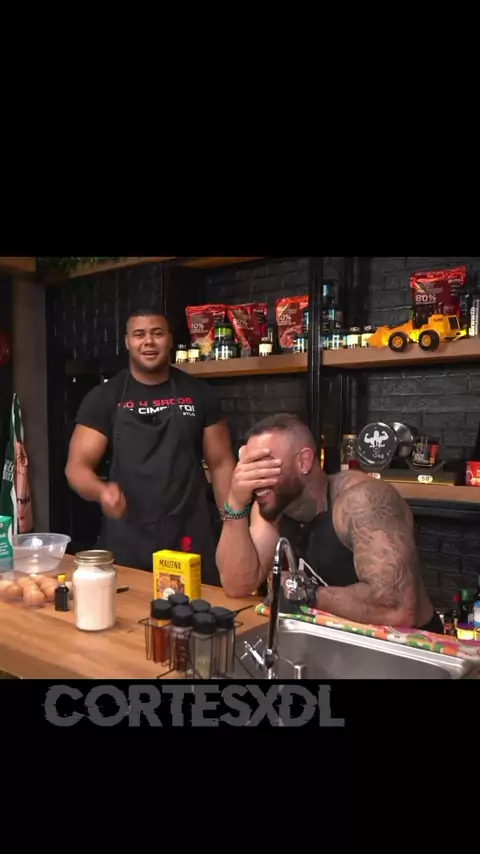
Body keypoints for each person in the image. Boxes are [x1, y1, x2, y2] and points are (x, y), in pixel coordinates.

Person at [216, 413, 443, 632]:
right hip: (334, 637)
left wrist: (306, 594)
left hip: (407, 645)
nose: (255, 478)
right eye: (249, 466)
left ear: (304, 461)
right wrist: (236, 502)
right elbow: (238, 584)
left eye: (264, 465)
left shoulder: (362, 500)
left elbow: (398, 608)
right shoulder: (274, 504)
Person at [65, 307, 235, 584]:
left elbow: (221, 463)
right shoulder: (104, 398)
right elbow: (76, 467)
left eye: (157, 333)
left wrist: (232, 523)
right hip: (128, 536)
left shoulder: (198, 393)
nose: (148, 341)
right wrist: (100, 491)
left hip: (189, 532)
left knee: (197, 606)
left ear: (170, 339)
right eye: (139, 334)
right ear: (127, 342)